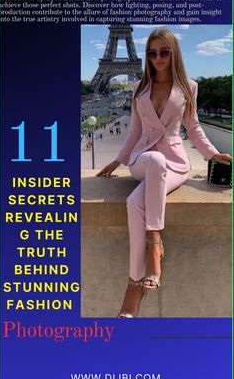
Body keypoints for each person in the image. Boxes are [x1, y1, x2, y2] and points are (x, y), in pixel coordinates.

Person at [96, 28, 232, 318]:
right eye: (152, 53)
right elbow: (134, 131)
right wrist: (118, 161)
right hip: (143, 160)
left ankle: (133, 289)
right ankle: (155, 246)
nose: (157, 58)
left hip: (174, 162)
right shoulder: (138, 88)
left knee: (135, 203)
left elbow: (193, 127)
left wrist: (212, 154)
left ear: (174, 54)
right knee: (154, 160)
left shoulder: (189, 87)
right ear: (146, 56)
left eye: (164, 52)